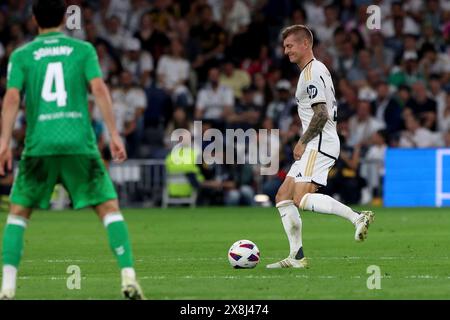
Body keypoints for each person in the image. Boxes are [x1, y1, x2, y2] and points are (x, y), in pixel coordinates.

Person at [0, 0, 144, 300]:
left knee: (18, 214)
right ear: (66, 18)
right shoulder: (83, 50)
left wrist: (3, 142)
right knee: (109, 210)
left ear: (33, 19)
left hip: (39, 145)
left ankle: (7, 288)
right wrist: (114, 134)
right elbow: (100, 89)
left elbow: (12, 97)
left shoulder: (22, 54)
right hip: (79, 142)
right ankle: (129, 278)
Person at [266, 25, 375, 269]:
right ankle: (296, 256)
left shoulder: (311, 72)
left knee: (301, 197)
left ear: (306, 44)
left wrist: (302, 141)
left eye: (290, 46)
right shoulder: (315, 69)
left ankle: (357, 217)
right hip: (318, 142)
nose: (286, 51)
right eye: (284, 47)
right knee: (283, 196)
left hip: (318, 142)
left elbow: (321, 114)